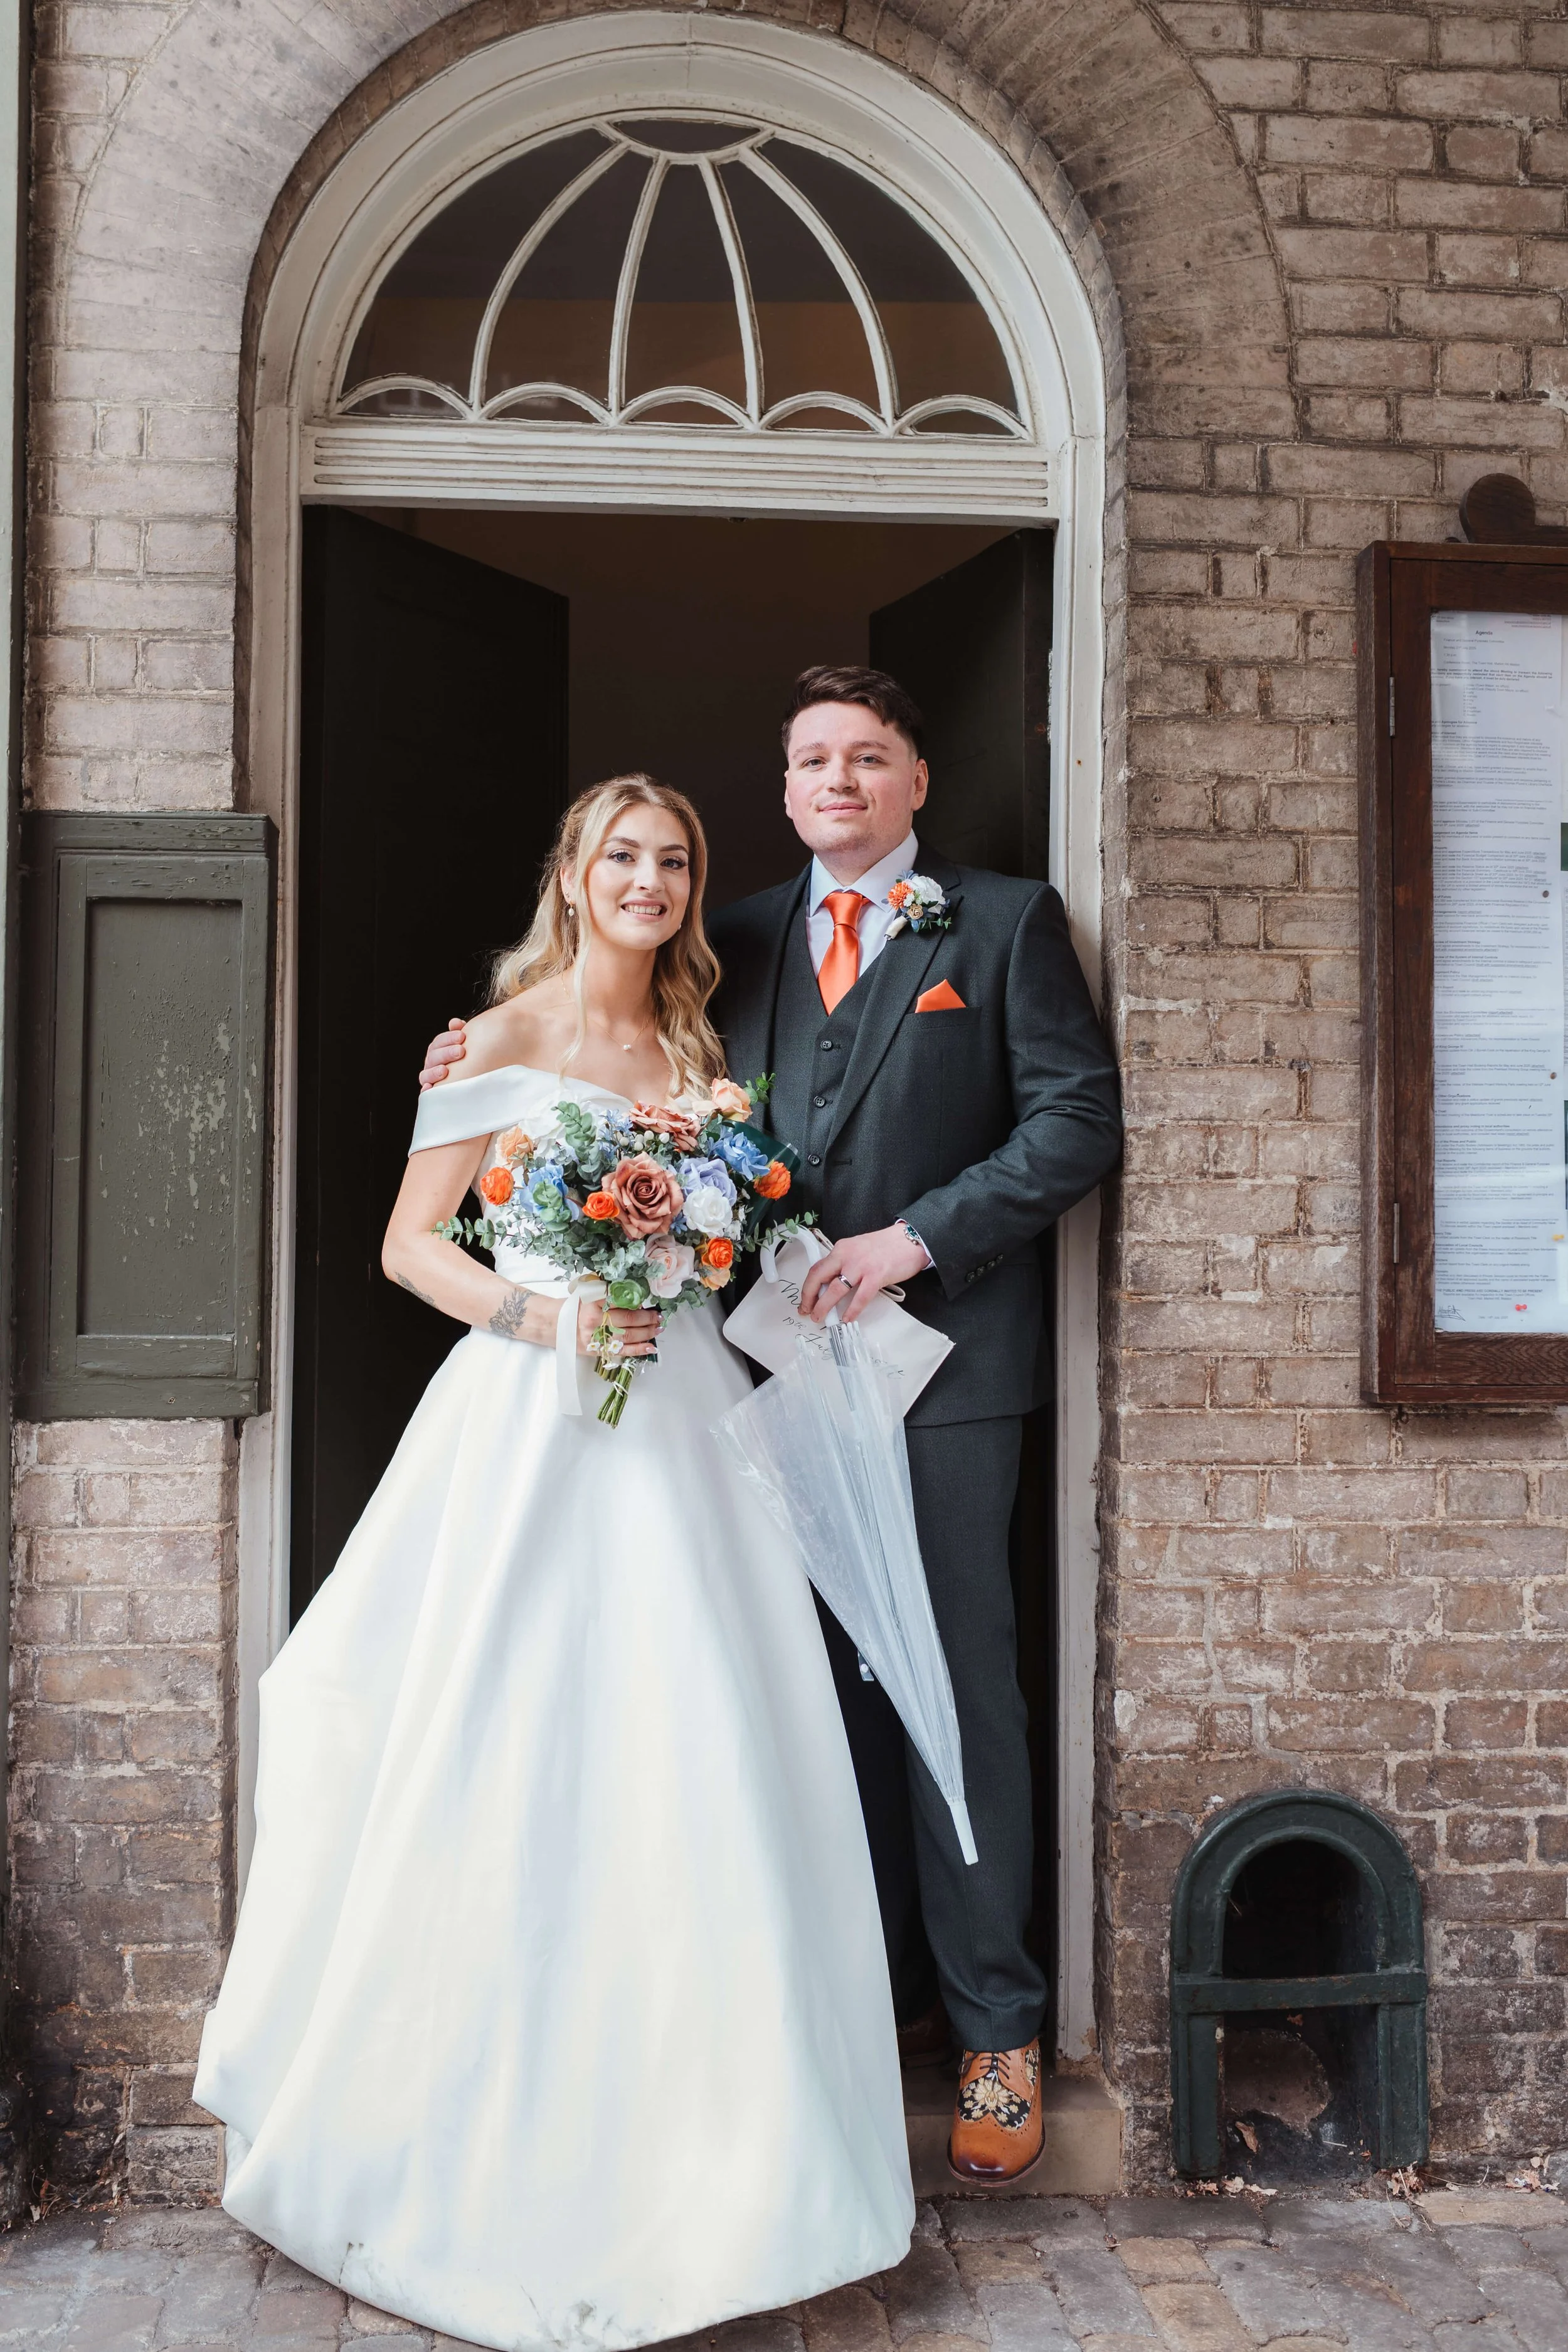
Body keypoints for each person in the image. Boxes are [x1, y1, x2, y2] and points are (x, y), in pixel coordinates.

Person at [194, 775, 914, 2352]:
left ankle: (727, 2157)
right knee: (500, 1727)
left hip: (680, 1429)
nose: (647, 882)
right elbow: (408, 1245)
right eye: (621, 858)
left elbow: (718, 1249)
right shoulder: (500, 1039)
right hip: (531, 1420)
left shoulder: (698, 1060)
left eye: (671, 862)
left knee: (694, 1746)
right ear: (572, 877)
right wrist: (554, 1314)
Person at [422, 670, 1122, 2184]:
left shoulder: (996, 926)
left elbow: (1072, 1123)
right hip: (735, 1377)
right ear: (786, 782)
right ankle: (866, 2005)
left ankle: (998, 2029)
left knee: (951, 1689)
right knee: (794, 1700)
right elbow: (603, 1078)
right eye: (813, 759)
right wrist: (468, 1069)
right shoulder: (721, 939)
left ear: (916, 779)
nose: (838, 782)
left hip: (936, 1371)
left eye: (868, 759)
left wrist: (913, 1241)